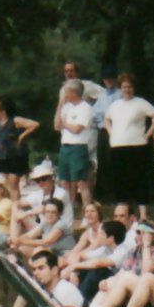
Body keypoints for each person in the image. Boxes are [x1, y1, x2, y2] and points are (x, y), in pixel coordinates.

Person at [100, 74, 154, 204]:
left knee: (139, 179)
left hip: (137, 146)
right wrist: (111, 133)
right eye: (124, 87)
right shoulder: (115, 105)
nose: (127, 90)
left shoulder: (141, 103)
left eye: (129, 87)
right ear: (120, 88)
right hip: (117, 146)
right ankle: (122, 207)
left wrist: (148, 134)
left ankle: (142, 209)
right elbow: (106, 119)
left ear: (133, 88)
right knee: (120, 179)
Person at [54, 80, 97, 214]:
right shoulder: (66, 107)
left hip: (78, 147)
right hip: (65, 146)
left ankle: (88, 210)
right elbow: (56, 126)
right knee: (64, 181)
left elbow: (77, 129)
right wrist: (60, 105)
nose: (64, 94)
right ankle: (67, 210)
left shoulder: (85, 108)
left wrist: (65, 123)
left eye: (66, 92)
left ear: (73, 92)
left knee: (81, 182)